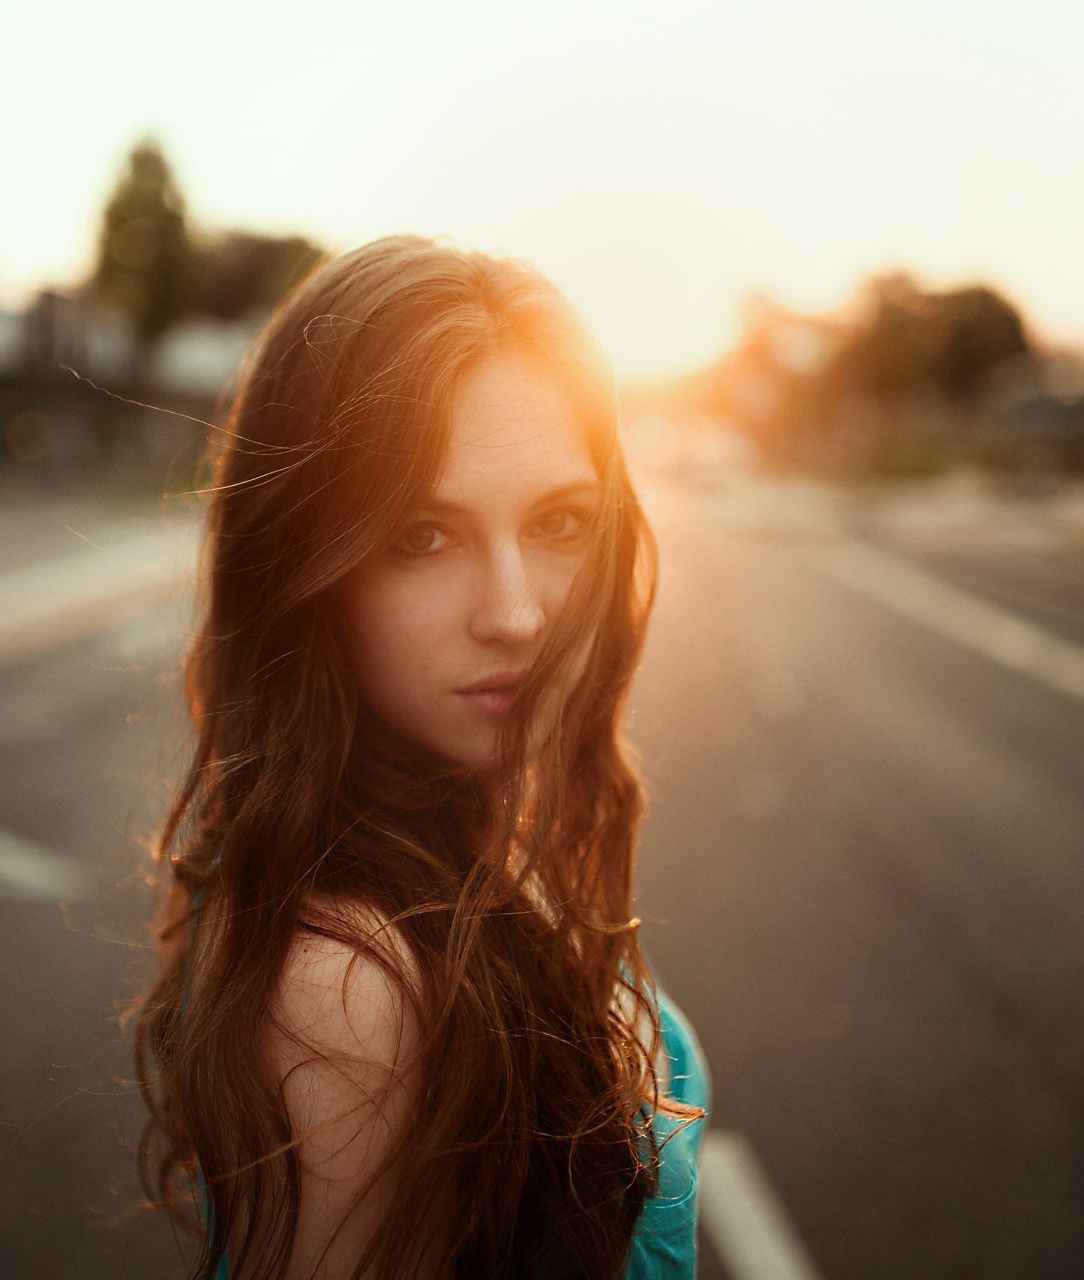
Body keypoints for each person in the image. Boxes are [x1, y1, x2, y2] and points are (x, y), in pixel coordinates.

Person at [126, 234, 710, 1279]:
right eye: (422, 537)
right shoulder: (352, 984)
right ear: (310, 565)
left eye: (561, 521)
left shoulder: (483, 821)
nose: (518, 613)